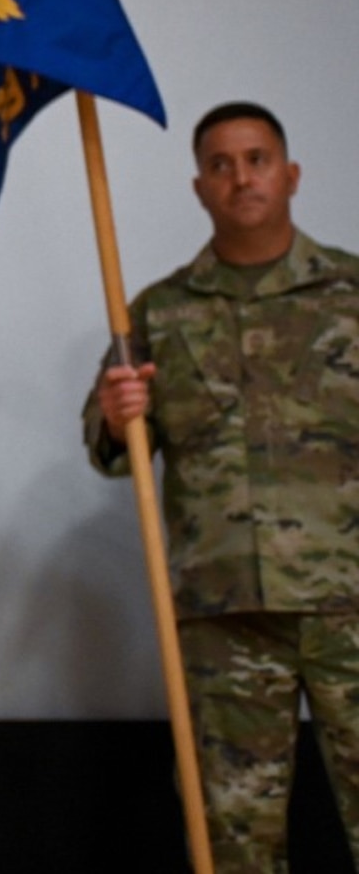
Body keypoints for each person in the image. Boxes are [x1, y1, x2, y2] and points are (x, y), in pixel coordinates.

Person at [88, 101, 359, 870]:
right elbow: (108, 450)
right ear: (200, 187)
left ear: (291, 174)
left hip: (352, 608)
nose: (241, 177)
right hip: (226, 617)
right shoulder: (160, 313)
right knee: (233, 839)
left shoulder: (351, 293)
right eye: (220, 164)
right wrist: (117, 415)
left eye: (258, 158)